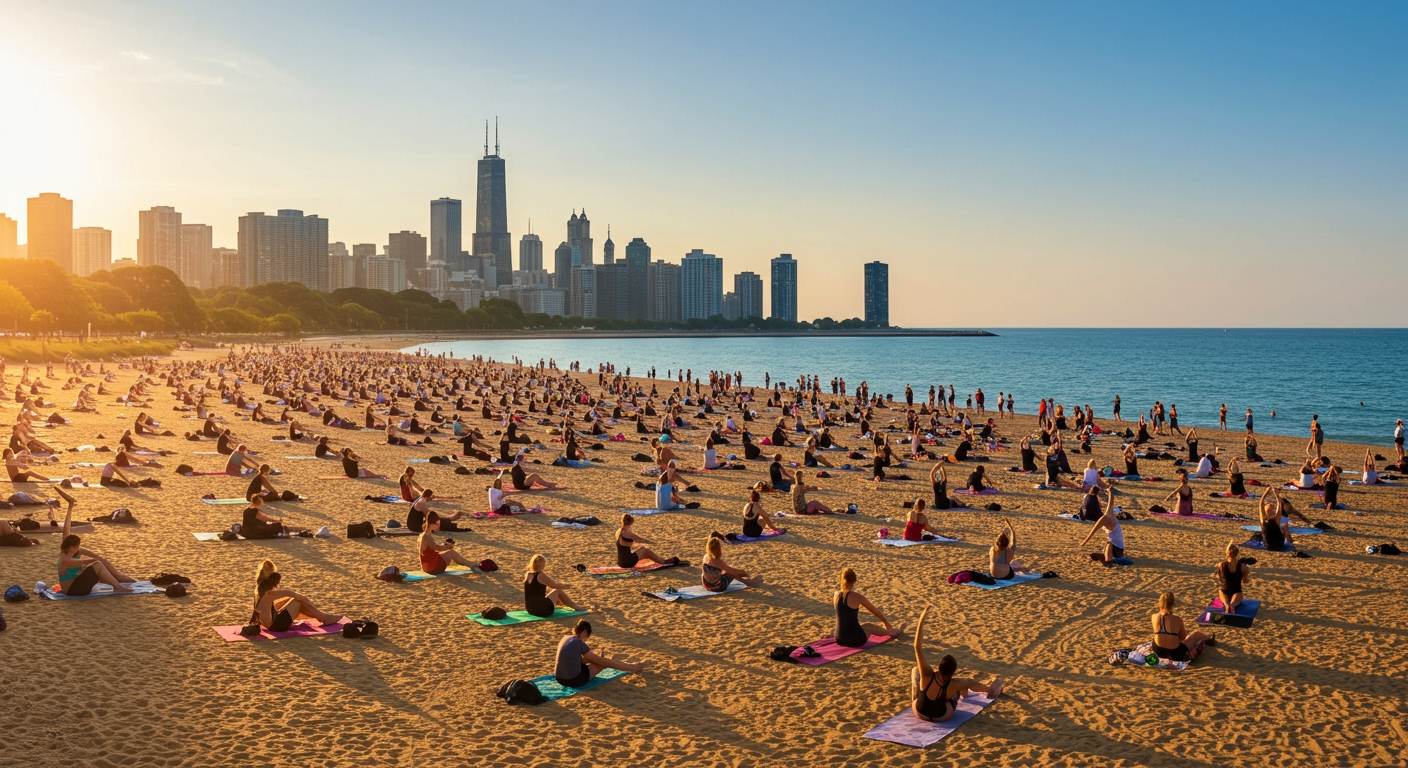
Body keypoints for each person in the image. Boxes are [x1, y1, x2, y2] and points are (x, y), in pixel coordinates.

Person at [911, 607, 1003, 723]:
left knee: (916, 671)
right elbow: (982, 688)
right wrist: (992, 685)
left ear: (939, 667)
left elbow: (917, 648)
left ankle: (918, 695)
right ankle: (964, 697)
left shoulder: (927, 676)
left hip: (920, 712)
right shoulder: (956, 683)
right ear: (952, 672)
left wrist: (922, 619)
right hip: (942, 716)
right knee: (958, 691)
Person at [56, 506, 135, 595]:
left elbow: (66, 533)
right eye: (77, 546)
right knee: (97, 565)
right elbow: (78, 562)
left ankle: (117, 584)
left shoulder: (64, 553)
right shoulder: (66, 559)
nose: (78, 548)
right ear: (71, 547)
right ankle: (118, 587)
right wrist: (92, 561)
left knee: (94, 567)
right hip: (73, 590)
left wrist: (70, 507)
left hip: (73, 587)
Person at [554, 620, 649, 689]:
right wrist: (630, 667)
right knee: (602, 663)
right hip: (572, 680)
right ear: (585, 633)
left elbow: (576, 659)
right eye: (587, 637)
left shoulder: (566, 638)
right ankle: (633, 668)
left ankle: (630, 667)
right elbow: (603, 662)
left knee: (597, 661)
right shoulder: (580, 643)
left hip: (559, 678)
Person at [252, 559, 343, 631]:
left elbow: (273, 606)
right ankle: (323, 617)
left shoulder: (259, 590)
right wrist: (307, 602)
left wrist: (289, 602)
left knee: (292, 601)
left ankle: (322, 617)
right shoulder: (270, 593)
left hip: (269, 625)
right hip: (277, 626)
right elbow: (297, 596)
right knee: (298, 601)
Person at [833, 567, 902, 647]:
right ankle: (890, 632)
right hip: (854, 640)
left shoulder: (836, 595)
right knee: (869, 626)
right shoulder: (857, 596)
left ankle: (889, 631)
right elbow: (876, 612)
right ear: (854, 581)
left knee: (862, 625)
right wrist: (887, 624)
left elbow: (842, 616)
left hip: (838, 638)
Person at [1150, 592, 1214, 663]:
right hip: (1175, 652)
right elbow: (1182, 638)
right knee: (1195, 635)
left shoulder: (1154, 617)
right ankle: (1209, 640)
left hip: (1159, 651)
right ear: (1173, 604)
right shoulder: (1178, 619)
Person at [614, 513, 680, 569]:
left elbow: (625, 545)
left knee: (640, 548)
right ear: (630, 523)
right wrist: (651, 542)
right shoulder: (628, 533)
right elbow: (640, 540)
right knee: (645, 550)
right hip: (627, 563)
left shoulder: (618, 531)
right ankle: (663, 562)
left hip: (620, 562)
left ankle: (660, 559)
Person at [1080, 489, 1125, 563]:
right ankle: (1106, 556)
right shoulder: (1110, 513)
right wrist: (1109, 491)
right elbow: (1111, 501)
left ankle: (1108, 560)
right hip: (1120, 549)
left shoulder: (1103, 519)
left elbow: (1093, 531)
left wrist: (1084, 542)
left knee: (1109, 543)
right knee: (1108, 544)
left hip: (1116, 549)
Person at [1215, 541, 1251, 615]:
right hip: (1236, 592)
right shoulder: (1243, 567)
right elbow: (1245, 581)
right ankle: (1232, 606)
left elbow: (1220, 578)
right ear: (1237, 553)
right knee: (1235, 600)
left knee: (1223, 595)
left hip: (1224, 591)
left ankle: (1227, 605)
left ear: (1227, 553)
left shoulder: (1221, 565)